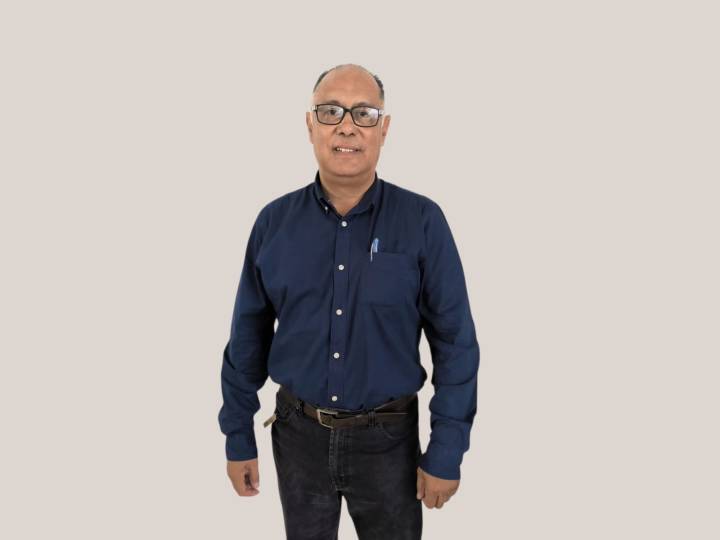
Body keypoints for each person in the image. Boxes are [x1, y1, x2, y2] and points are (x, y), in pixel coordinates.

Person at [218, 63, 480, 539]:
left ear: (384, 128)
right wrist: (238, 437)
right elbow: (247, 337)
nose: (346, 126)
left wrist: (446, 451)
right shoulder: (274, 223)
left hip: (389, 441)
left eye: (364, 113)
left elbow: (456, 343)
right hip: (297, 437)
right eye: (331, 111)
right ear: (310, 124)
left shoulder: (422, 221)